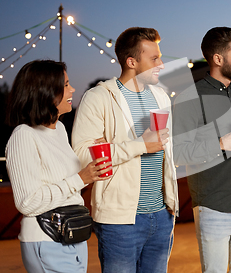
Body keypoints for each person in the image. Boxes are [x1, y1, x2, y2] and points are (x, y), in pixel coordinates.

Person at [71, 27, 179, 273]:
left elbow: (167, 151)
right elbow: (82, 157)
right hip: (119, 221)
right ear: (131, 61)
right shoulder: (98, 97)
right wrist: (139, 145)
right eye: (154, 59)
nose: (161, 64)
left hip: (162, 216)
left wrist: (171, 204)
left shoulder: (162, 97)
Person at [5, 60, 112, 272]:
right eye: (65, 85)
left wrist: (89, 167)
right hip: (47, 239)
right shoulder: (23, 136)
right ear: (44, 92)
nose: (72, 89)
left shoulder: (59, 130)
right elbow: (27, 202)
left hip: (73, 234)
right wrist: (81, 178)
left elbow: (66, 183)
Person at [173, 27, 231, 272]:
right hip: (214, 207)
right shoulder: (189, 97)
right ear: (218, 59)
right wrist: (221, 144)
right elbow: (178, 153)